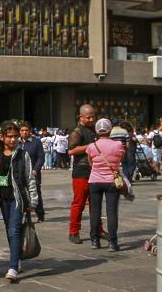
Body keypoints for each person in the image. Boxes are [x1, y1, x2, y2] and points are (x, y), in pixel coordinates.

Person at [0, 121, 38, 282]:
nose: (13, 139)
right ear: (1, 137)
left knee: (14, 230)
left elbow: (30, 178)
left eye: (15, 136)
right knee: (10, 229)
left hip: (17, 198)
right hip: (2, 198)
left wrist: (33, 201)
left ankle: (13, 267)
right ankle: (18, 260)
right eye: (10, 136)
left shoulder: (23, 154)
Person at [68, 104, 105, 244]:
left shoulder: (95, 130)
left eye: (93, 116)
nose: (91, 119)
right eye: (88, 117)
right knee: (79, 203)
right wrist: (90, 147)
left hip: (95, 171)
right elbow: (70, 151)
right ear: (81, 117)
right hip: (81, 172)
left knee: (95, 204)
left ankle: (98, 230)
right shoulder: (77, 131)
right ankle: (73, 232)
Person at [86, 118, 124, 252]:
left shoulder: (91, 146)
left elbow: (90, 162)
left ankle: (95, 240)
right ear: (110, 130)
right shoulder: (118, 145)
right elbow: (120, 160)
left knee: (95, 212)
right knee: (112, 212)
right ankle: (112, 243)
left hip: (95, 181)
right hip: (111, 182)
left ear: (96, 130)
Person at [19, 122, 45, 222]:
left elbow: (41, 157)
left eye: (26, 130)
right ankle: (22, 214)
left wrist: (36, 169)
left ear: (30, 131)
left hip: (33, 172)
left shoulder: (36, 142)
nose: (24, 132)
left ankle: (40, 214)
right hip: (20, 173)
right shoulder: (17, 142)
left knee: (35, 193)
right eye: (22, 130)